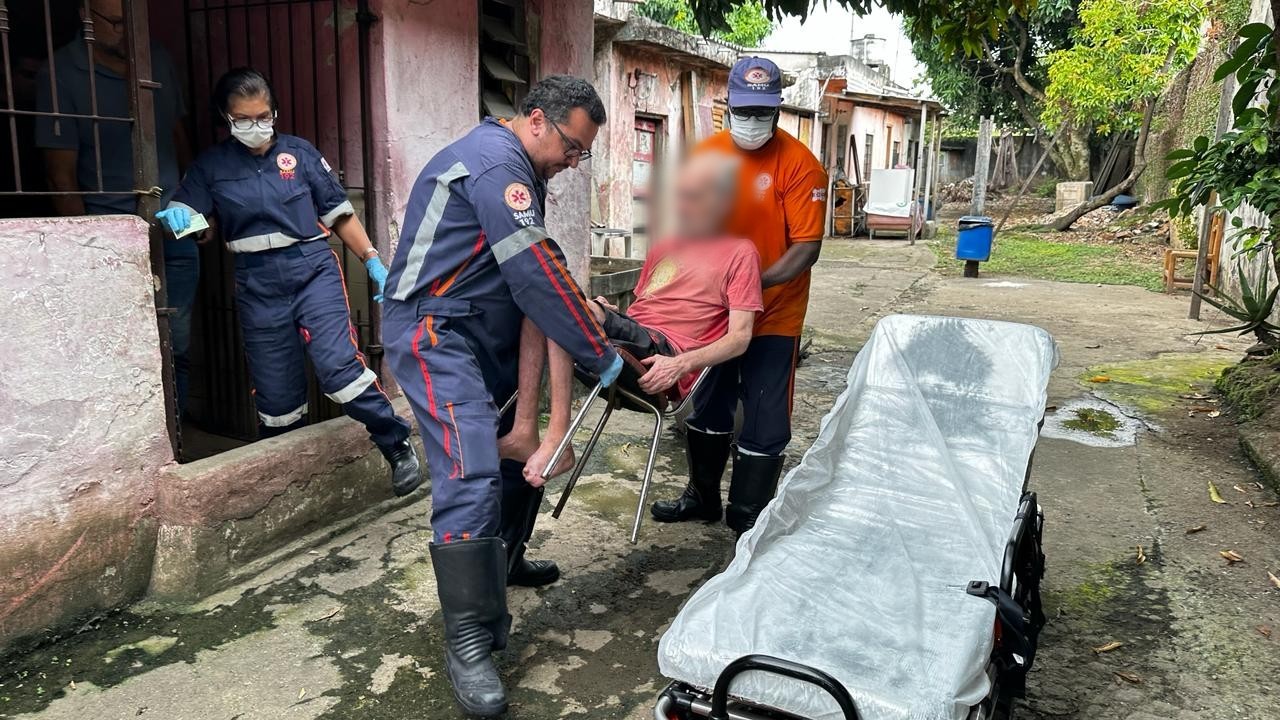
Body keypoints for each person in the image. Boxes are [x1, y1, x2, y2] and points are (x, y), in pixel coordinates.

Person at [381, 75, 623, 718]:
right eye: (572, 147)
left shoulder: (525, 171)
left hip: (481, 332)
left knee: (522, 448)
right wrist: (606, 359)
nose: (574, 163)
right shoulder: (496, 165)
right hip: (434, 332)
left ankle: (505, 560)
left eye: (582, 155)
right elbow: (536, 272)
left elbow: (533, 286)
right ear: (536, 120)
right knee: (470, 469)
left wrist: (551, 408)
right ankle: (468, 639)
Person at [154, 67, 421, 496]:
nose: (255, 127)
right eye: (243, 119)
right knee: (276, 395)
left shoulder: (300, 155)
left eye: (263, 116)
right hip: (255, 279)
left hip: (312, 268)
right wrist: (180, 220)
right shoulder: (211, 166)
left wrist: (373, 260)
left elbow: (340, 214)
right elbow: (197, 226)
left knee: (338, 368)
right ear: (226, 117)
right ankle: (288, 483)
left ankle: (395, 443)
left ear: (274, 112)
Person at [503, 151, 762, 487]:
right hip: (638, 339)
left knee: (560, 305)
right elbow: (642, 315)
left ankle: (558, 441)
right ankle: (525, 429)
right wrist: (609, 313)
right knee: (541, 307)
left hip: (665, 355)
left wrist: (682, 364)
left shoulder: (741, 252)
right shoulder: (666, 244)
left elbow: (740, 337)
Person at [650, 57, 829, 534]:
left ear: (778, 109)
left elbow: (806, 248)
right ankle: (702, 496)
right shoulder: (706, 158)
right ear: (728, 105)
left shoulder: (800, 165)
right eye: (744, 110)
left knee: (765, 414)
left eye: (762, 112)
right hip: (711, 318)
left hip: (775, 315)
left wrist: (748, 286)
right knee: (707, 405)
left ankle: (748, 514)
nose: (752, 121)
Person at [36, 0, 198, 415]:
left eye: (132, 22)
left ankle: (175, 433)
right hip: (110, 236)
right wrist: (82, 249)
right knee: (125, 346)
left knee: (177, 340)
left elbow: (178, 136)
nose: (127, 31)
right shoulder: (60, 73)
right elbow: (61, 176)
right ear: (86, 17)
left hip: (175, 229)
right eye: (116, 22)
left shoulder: (155, 59)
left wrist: (195, 203)